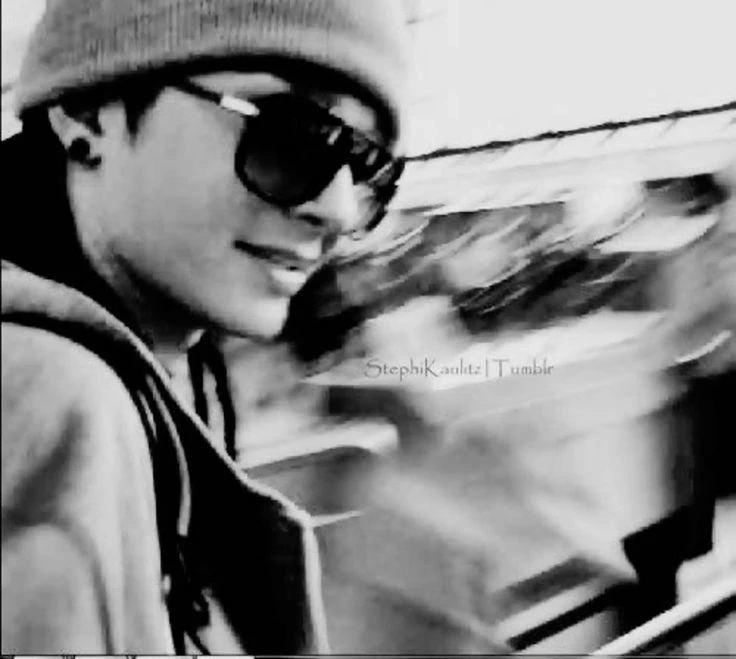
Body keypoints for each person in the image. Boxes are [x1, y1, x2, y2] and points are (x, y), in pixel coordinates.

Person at [1, 0, 409, 654]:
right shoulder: (50, 400)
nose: (337, 209)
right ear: (89, 112)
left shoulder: (135, 394)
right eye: (293, 133)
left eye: (368, 167)